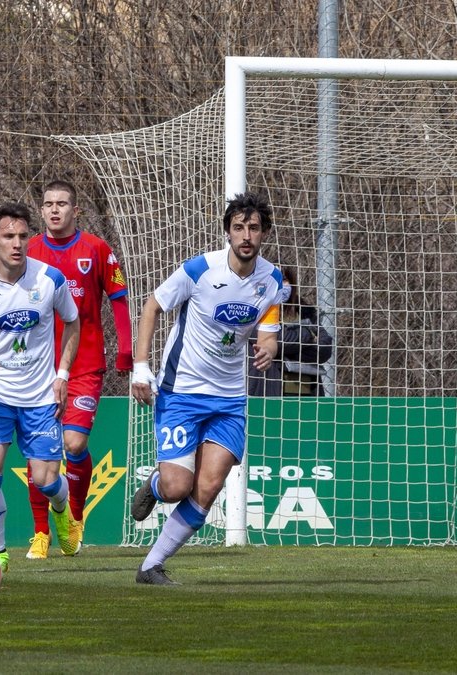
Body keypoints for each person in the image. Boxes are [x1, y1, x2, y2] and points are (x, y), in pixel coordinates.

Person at [129, 191, 286, 585]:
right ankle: (154, 484)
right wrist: (141, 367)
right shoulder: (199, 270)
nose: (246, 235)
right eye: (238, 228)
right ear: (227, 233)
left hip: (229, 398)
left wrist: (267, 349)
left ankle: (151, 566)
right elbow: (152, 306)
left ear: (264, 232)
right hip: (181, 390)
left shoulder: (274, 280)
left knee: (210, 483)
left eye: (253, 228)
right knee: (177, 485)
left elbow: (268, 333)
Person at [0, 201, 81, 574]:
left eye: (23, 236)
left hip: (40, 397)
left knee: (45, 480)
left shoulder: (49, 280)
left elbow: (72, 323)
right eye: (8, 236)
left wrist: (63, 374)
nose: (17, 243)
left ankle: (62, 512)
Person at [23, 180, 133, 559]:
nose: (55, 210)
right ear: (41, 210)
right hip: (36, 369)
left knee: (74, 444)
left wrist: (126, 350)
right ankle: (41, 533)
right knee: (39, 455)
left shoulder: (97, 249)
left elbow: (119, 299)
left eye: (63, 203)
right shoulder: (30, 251)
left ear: (76, 210)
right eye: (49, 204)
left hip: (85, 364)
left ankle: (74, 515)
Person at [246, 265, 333, 397]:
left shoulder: (304, 310)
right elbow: (278, 341)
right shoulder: (254, 309)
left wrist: (283, 352)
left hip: (306, 390)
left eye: (285, 279)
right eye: (276, 279)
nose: (281, 284)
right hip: (268, 388)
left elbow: (325, 349)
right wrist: (308, 335)